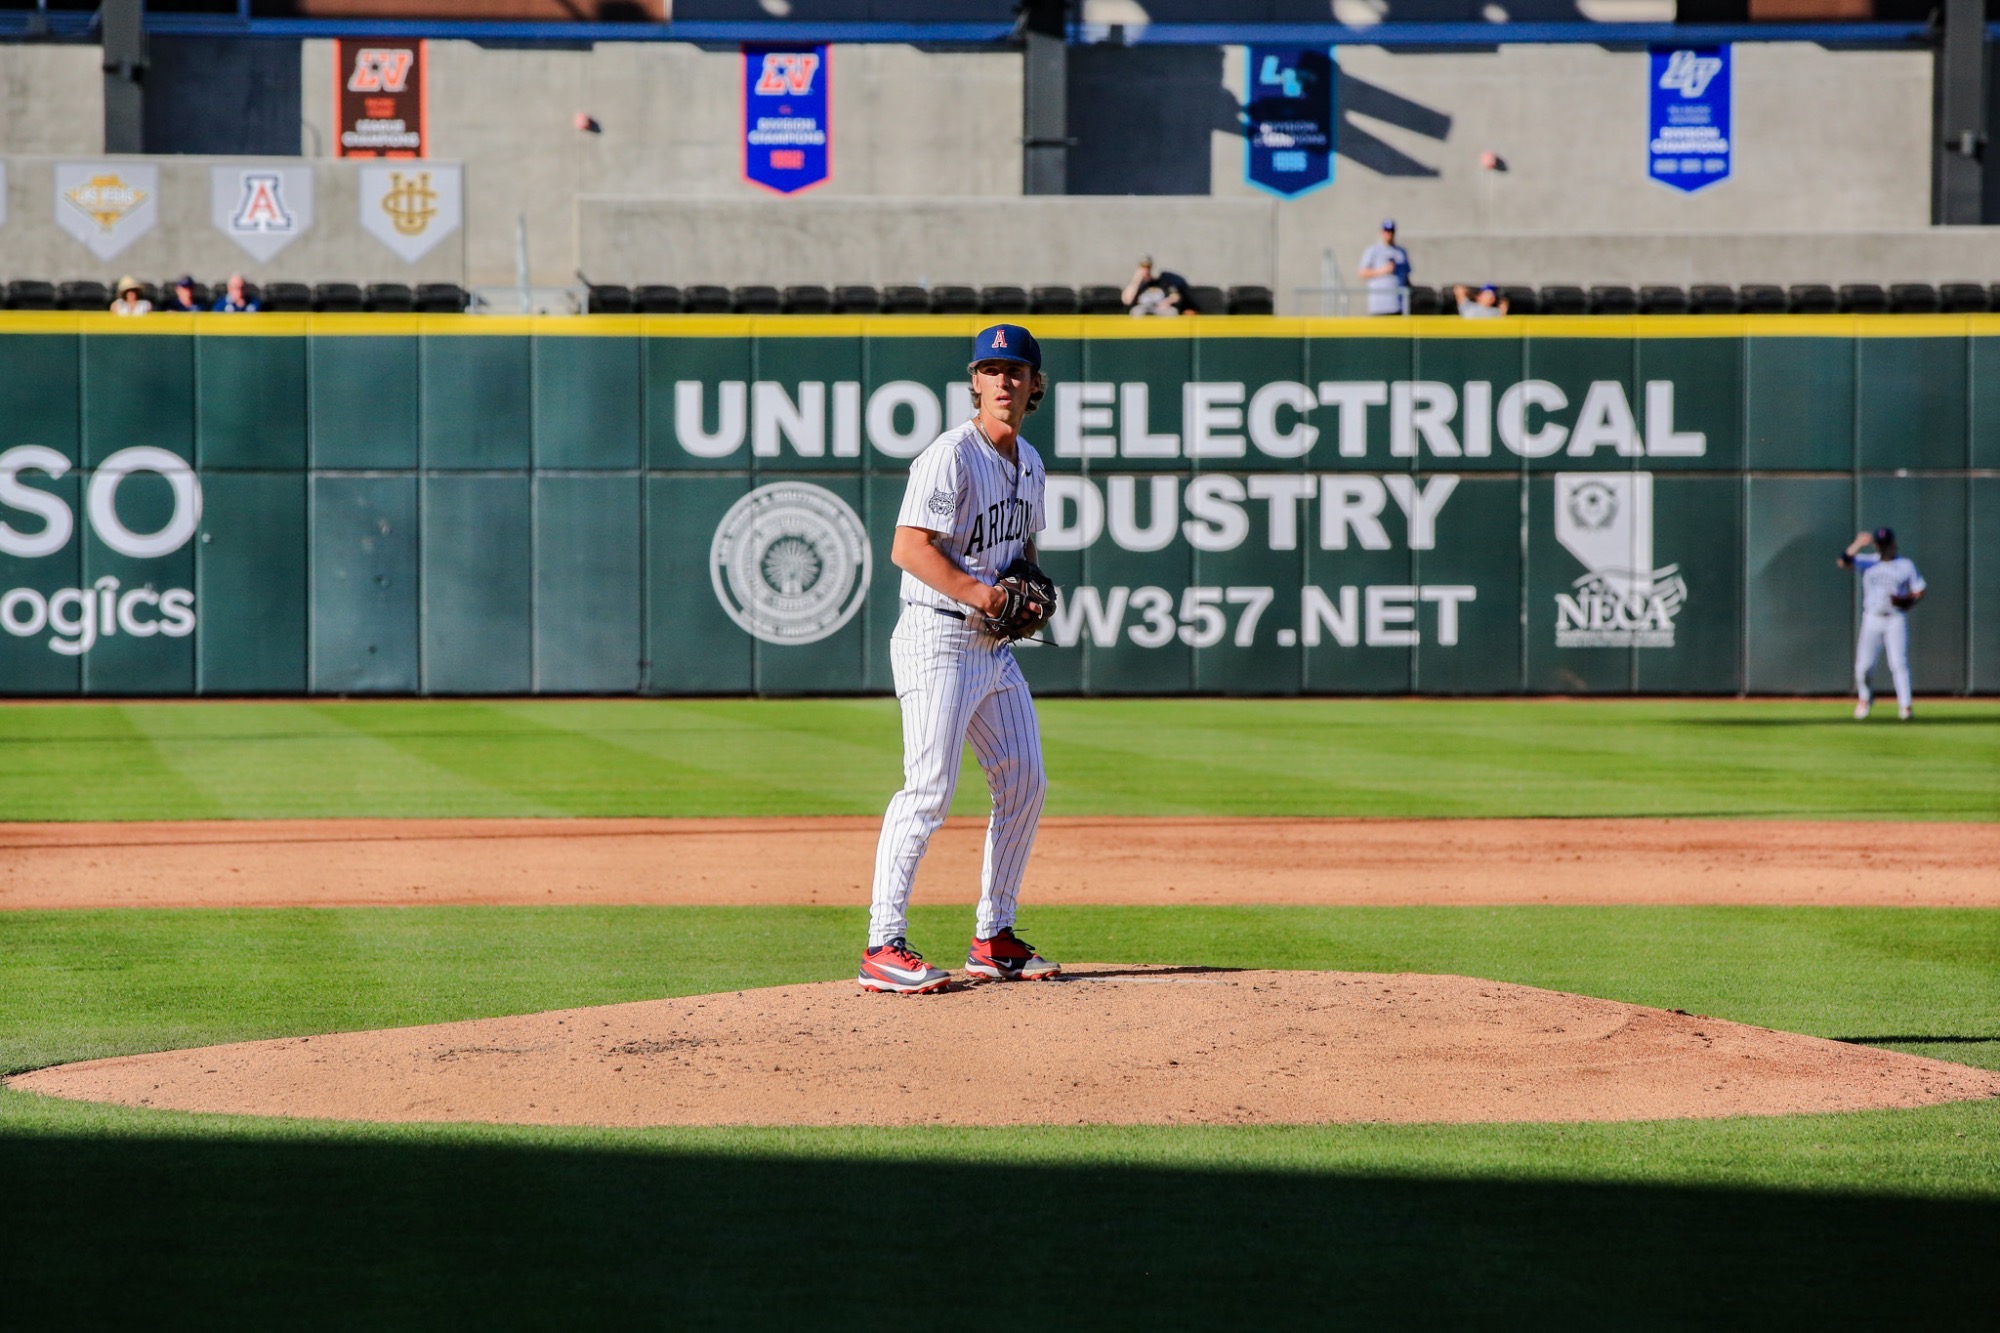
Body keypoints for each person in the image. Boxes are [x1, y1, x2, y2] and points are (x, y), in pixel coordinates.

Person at [860, 322, 1059, 995]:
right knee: (928, 791)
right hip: (936, 636)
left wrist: (1030, 589)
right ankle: (881, 944)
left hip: (991, 647)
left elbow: (1021, 556)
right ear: (974, 380)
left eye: (1016, 371)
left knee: (1025, 779)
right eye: (992, 370)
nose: (1004, 381)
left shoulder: (1029, 462)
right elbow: (909, 548)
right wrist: (984, 593)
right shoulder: (949, 454)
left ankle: (993, 937)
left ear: (1034, 385)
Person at [1838, 526, 1925, 720]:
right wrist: (1858, 544)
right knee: (1863, 667)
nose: (1884, 548)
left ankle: (1906, 705)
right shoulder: (1868, 562)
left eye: (1886, 544)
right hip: (1872, 618)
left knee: (1898, 663)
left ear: (1893, 544)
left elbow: (1919, 590)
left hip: (1895, 618)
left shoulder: (1905, 565)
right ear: (1876, 545)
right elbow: (1843, 562)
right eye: (1880, 544)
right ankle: (1865, 698)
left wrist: (1908, 600)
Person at [1357, 219, 1411, 315]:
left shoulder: (1401, 252)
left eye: (1391, 231)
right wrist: (1383, 270)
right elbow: (1362, 273)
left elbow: (1407, 274)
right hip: (1379, 306)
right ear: (1381, 232)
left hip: (1397, 306)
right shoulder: (1373, 250)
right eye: (1386, 231)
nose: (1389, 234)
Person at [1122, 257, 1196, 316]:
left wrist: (1167, 301)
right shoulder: (1135, 285)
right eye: (1143, 267)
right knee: (1136, 312)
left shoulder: (1162, 282)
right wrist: (1137, 279)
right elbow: (1127, 300)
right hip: (1144, 308)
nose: (1146, 270)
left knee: (1172, 312)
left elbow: (1176, 296)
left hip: (1160, 309)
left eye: (1148, 267)